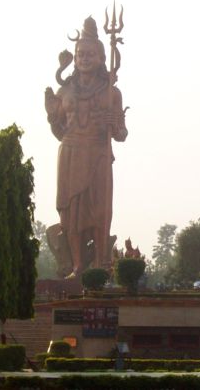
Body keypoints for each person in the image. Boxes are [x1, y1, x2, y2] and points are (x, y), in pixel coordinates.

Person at [45, 17, 128, 278]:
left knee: (100, 211)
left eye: (90, 54)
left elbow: (122, 134)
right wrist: (50, 116)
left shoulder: (111, 93)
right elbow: (59, 130)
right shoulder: (64, 90)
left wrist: (113, 124)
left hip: (98, 154)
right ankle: (78, 265)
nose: (84, 58)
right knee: (70, 213)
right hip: (70, 152)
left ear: (103, 58)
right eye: (80, 54)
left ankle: (101, 263)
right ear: (75, 57)